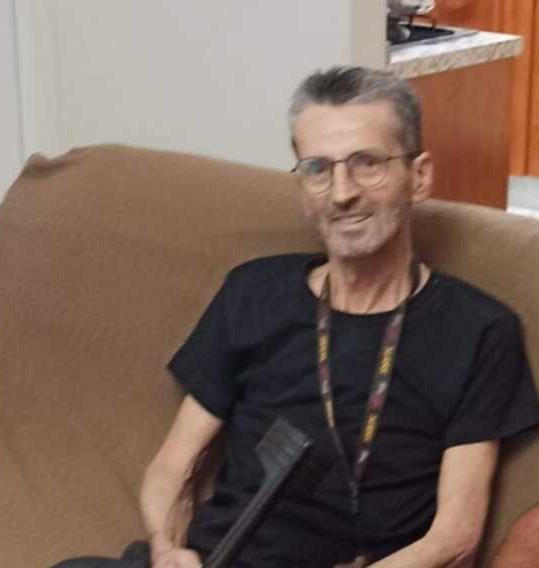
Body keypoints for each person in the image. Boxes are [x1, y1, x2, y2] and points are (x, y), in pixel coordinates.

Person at [53, 67, 539, 568]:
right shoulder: (254, 291)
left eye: (367, 163)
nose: (342, 192)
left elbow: (455, 537)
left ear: (419, 176)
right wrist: (167, 547)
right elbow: (174, 467)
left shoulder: (479, 330)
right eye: (318, 169)